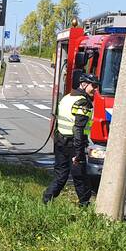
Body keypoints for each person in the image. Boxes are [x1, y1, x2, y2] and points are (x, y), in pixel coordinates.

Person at [43, 73, 99, 207]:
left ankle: (46, 199)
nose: (95, 89)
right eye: (93, 86)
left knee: (61, 175)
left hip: (60, 141)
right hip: (73, 144)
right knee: (80, 176)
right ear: (84, 84)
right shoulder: (83, 103)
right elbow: (78, 129)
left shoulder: (67, 97)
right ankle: (84, 205)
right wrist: (78, 154)